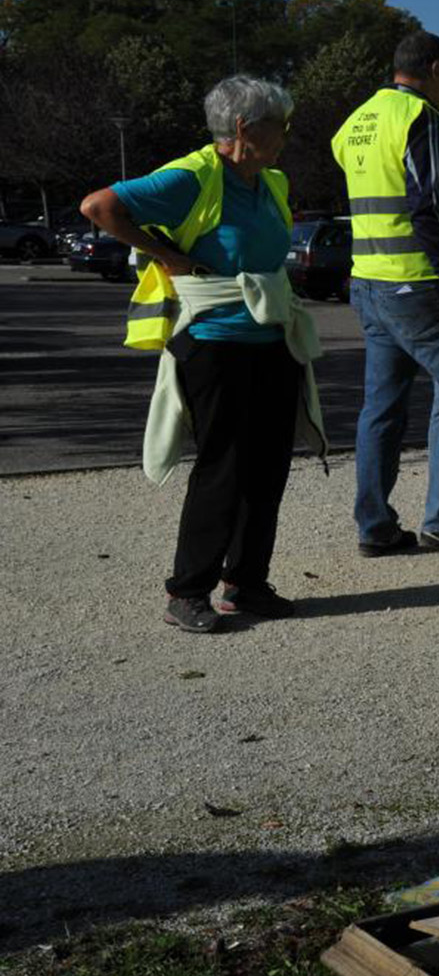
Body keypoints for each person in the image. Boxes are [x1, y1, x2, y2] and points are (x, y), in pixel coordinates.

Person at [81, 75, 324, 632]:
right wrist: (167, 256)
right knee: (224, 467)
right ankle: (187, 591)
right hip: (215, 343)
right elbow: (99, 206)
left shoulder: (272, 181)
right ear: (244, 128)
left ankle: (247, 583)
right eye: (278, 125)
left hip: (272, 340)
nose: (285, 135)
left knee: (268, 468)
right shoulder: (192, 176)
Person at [333, 30, 439, 562]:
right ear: (432, 68)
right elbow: (427, 206)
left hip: (370, 280)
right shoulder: (421, 120)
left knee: (381, 407)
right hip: (418, 281)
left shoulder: (355, 122)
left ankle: (375, 524)